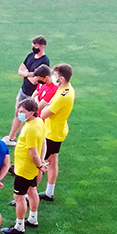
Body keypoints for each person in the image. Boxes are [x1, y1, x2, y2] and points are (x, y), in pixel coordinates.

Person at [2, 99, 47, 234]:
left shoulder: (29, 128)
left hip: (24, 169)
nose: (19, 113)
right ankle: (33, 219)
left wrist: (40, 164)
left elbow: (33, 153)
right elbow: (43, 142)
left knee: (19, 197)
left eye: (22, 111)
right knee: (32, 191)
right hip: (32, 168)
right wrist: (42, 162)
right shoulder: (39, 122)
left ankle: (19, 226)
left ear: (31, 112)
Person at [2, 36, 49, 146]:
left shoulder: (44, 61)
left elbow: (34, 81)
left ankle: (26, 139)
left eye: (36, 46)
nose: (34, 48)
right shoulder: (30, 56)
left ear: (42, 46)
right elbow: (20, 70)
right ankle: (12, 137)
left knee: (28, 118)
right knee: (18, 114)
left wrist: (26, 73)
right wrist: (29, 73)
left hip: (32, 95)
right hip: (23, 91)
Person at [38, 64, 75, 202]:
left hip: (51, 134)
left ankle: (30, 194)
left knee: (40, 163)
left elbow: (43, 114)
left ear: (61, 78)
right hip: (57, 131)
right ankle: (49, 192)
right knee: (53, 161)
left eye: (54, 75)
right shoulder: (67, 89)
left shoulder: (62, 96)